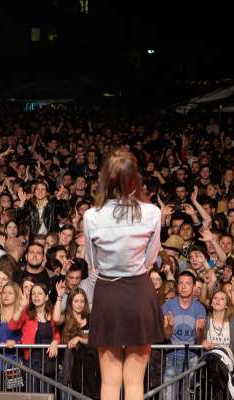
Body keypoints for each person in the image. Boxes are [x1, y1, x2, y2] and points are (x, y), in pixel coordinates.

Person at [82, 150, 163, 400]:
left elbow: (92, 261)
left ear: (105, 179)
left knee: (109, 382)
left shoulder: (91, 216)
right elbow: (151, 258)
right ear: (134, 179)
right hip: (139, 291)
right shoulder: (152, 213)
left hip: (108, 292)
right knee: (135, 383)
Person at [161, 271, 207, 400]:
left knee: (187, 396)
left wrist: (200, 329)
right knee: (168, 395)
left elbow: (199, 338)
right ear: (177, 286)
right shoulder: (167, 306)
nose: (184, 286)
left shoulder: (199, 308)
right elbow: (166, 336)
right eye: (181, 283)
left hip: (192, 357)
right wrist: (169, 326)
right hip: (172, 357)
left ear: (193, 287)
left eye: (188, 283)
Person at [8, 283, 60, 393]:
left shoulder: (52, 313)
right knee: (32, 394)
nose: (36, 296)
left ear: (46, 297)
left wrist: (55, 341)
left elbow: (57, 332)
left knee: (47, 395)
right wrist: (22, 306)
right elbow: (12, 325)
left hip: (49, 361)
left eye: (39, 294)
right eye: (33, 294)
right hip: (32, 360)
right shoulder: (27, 313)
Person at [53, 286, 100, 400]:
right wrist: (59, 297)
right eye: (76, 301)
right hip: (71, 368)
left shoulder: (91, 318)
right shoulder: (66, 317)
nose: (79, 304)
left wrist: (79, 339)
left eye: (82, 301)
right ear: (70, 302)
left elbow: (97, 340)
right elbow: (56, 318)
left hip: (90, 368)